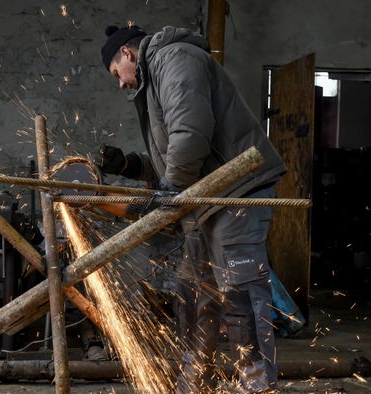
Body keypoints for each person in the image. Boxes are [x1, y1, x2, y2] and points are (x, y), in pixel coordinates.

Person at [96, 24, 287, 393]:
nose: (120, 83)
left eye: (115, 73)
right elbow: (173, 158)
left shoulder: (175, 58)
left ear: (127, 54)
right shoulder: (154, 80)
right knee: (195, 291)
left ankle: (258, 383)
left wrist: (168, 191)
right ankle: (195, 380)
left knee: (240, 291)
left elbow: (191, 134)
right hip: (203, 199)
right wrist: (129, 166)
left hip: (235, 195)